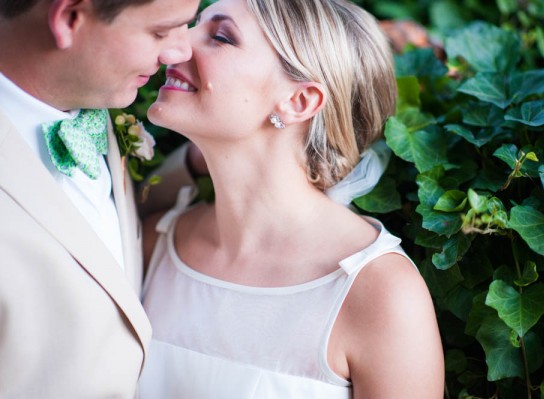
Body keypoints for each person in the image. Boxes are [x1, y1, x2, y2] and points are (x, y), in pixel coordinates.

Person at [138, 0, 445, 397]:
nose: (174, 46)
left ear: (298, 102)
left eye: (220, 36)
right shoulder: (155, 242)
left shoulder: (379, 293)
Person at [0, 0, 201, 397]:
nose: (182, 51)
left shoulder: (93, 95)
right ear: (69, 19)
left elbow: (85, 242)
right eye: (161, 32)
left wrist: (195, 166)